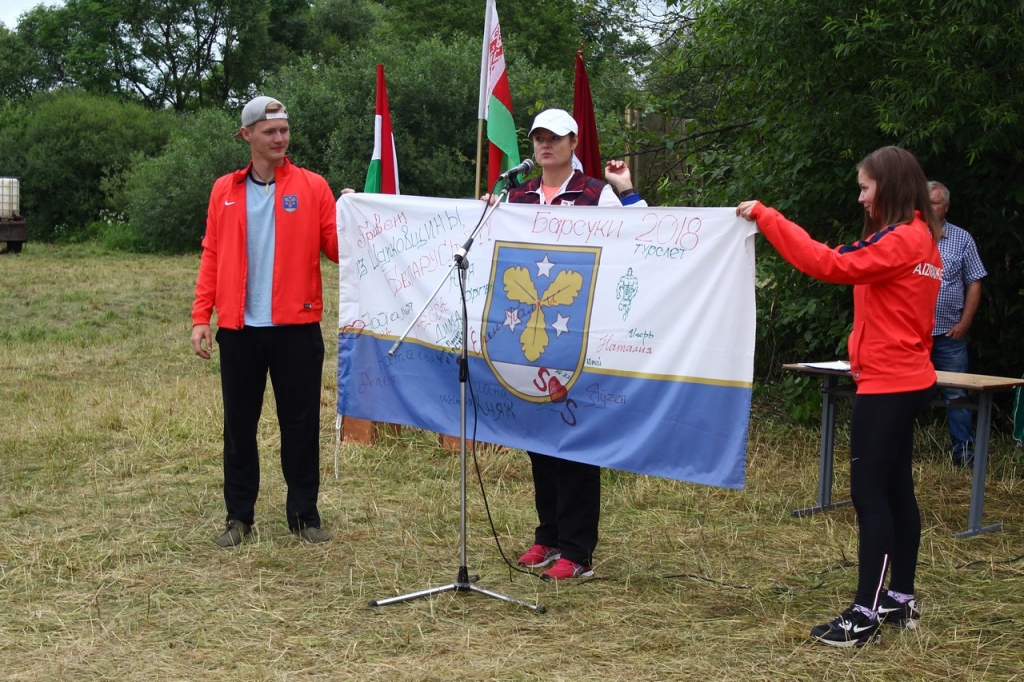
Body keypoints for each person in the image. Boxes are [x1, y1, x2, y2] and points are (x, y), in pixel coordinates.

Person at [736, 146, 943, 647]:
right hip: (908, 377)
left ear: (888, 188)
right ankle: (899, 600)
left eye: (866, 187)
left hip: (890, 384)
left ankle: (863, 614)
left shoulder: (901, 241)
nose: (860, 197)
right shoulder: (920, 240)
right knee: (897, 492)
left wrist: (767, 217)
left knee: (870, 495)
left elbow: (826, 263)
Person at [486, 108, 646, 581]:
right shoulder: (517, 194)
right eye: (538, 138)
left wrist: (627, 189)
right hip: (527, 330)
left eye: (554, 137)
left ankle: (578, 550)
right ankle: (549, 536)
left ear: (574, 141)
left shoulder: (595, 194)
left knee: (573, 439)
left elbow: (642, 235)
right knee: (537, 437)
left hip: (578, 332)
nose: (544, 146)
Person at [191, 95, 339, 548]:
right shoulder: (224, 190)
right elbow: (212, 255)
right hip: (239, 330)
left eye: (285, 130)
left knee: (300, 426)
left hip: (297, 328)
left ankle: (304, 516)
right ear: (247, 135)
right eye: (270, 131)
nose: (280, 138)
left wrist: (356, 214)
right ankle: (238, 517)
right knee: (239, 426)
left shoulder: (313, 186)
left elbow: (338, 249)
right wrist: (202, 317)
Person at [928, 180, 987, 467]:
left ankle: (964, 455)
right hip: (912, 335)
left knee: (956, 394)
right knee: (902, 393)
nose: (929, 208)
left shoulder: (962, 239)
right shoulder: (906, 237)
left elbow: (974, 281)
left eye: (935, 203)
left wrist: (965, 323)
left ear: (947, 206)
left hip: (949, 333)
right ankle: (897, 452)